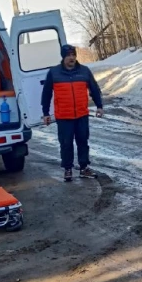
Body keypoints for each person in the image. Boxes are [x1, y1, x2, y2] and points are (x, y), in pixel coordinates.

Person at [41, 44, 104, 182]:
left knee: (83, 141)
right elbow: (46, 94)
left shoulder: (84, 71)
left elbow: (94, 89)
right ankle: (68, 169)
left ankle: (84, 168)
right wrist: (45, 113)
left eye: (73, 55)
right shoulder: (54, 73)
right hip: (64, 116)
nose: (72, 58)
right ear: (63, 57)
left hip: (81, 114)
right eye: (69, 55)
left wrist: (99, 106)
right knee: (66, 143)